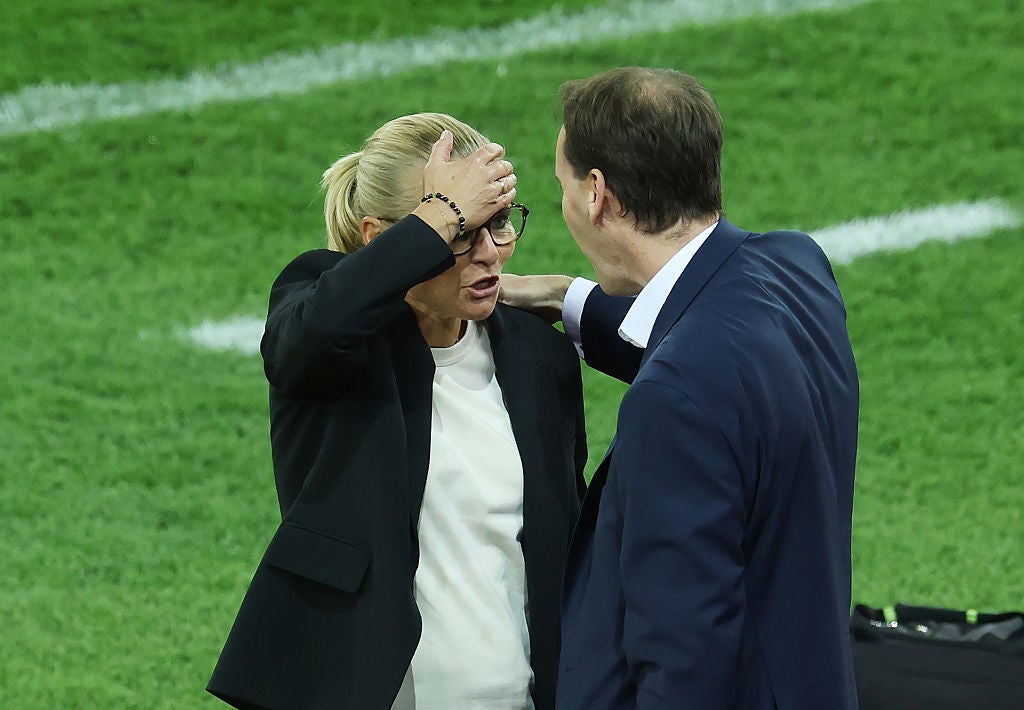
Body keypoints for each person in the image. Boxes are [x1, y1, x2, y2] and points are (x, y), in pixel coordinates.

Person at [500, 67, 860, 708]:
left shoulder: (674, 401)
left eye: (562, 186)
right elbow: (712, 341)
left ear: (597, 194)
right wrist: (566, 296)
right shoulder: (796, 267)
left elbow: (685, 649)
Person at [207, 113, 587, 710]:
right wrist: (438, 216)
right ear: (380, 237)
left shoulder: (539, 357)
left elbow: (564, 547)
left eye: (499, 226)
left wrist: (566, 294)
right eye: (461, 234)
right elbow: (317, 329)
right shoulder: (337, 342)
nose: (488, 254)